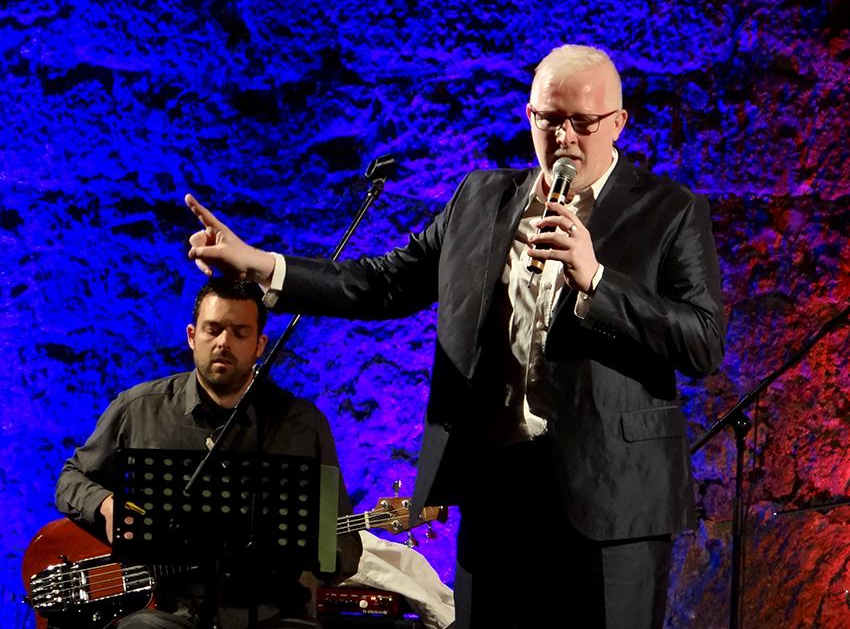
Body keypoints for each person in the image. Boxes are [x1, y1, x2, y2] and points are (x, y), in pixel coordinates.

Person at [183, 44, 725, 629]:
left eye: (583, 123)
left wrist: (596, 279)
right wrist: (259, 264)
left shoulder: (668, 211)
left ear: (618, 123)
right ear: (529, 116)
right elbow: (382, 284)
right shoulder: (481, 199)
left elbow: (701, 341)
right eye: (550, 119)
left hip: (614, 498)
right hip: (499, 491)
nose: (565, 138)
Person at [55, 278, 362, 628]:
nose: (223, 343)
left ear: (260, 345)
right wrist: (106, 505)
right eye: (212, 330)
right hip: (168, 611)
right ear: (192, 336)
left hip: (272, 614)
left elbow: (345, 544)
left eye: (240, 333)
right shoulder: (138, 408)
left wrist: (321, 551)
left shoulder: (303, 425)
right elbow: (70, 480)